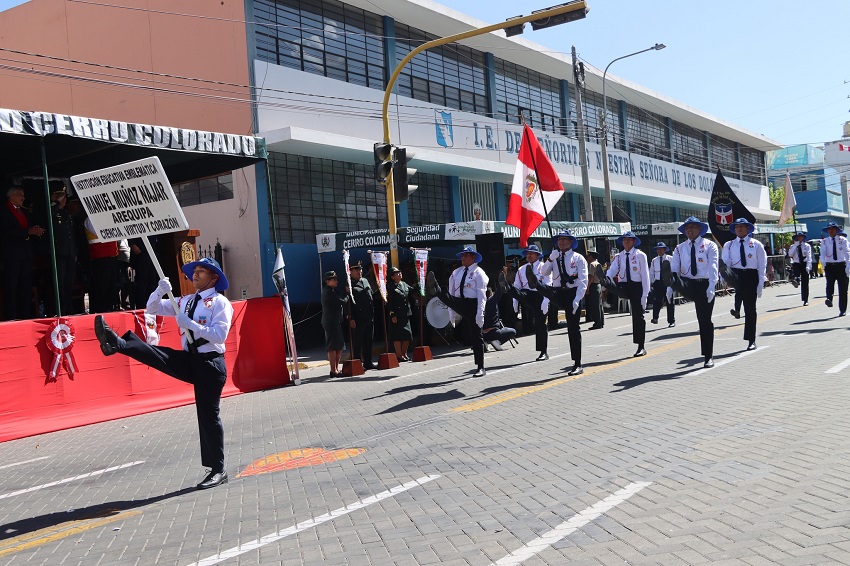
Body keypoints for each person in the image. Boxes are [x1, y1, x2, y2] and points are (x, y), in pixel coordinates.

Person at [93, 257, 233, 490]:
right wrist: (159, 291)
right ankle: (119, 344)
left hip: (210, 364)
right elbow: (153, 308)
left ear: (214, 278)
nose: (195, 274)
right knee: (160, 355)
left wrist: (191, 325)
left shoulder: (219, 303)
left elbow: (220, 336)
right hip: (191, 359)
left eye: (201, 271)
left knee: (208, 416)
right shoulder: (186, 301)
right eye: (194, 271)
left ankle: (218, 470)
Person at [427, 246, 488, 377]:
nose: (463, 258)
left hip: (474, 304)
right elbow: (452, 293)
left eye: (466, 255)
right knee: (446, 296)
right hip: (460, 302)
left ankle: (481, 367)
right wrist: (451, 314)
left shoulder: (479, 273)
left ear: (473, 257)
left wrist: (480, 313)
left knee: (476, 336)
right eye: (462, 256)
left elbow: (482, 295)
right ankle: (436, 289)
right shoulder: (456, 272)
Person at [534, 230, 588, 376]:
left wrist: (578, 299)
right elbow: (544, 272)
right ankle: (536, 285)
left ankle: (577, 363)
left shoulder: (578, 258)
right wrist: (551, 258)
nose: (561, 242)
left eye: (565, 239)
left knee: (573, 328)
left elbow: (583, 281)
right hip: (558, 292)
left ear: (571, 242)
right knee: (546, 289)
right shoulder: (555, 257)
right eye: (559, 240)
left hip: (572, 293)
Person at [670, 217, 719, 368]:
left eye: (692, 227)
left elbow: (713, 266)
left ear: (699, 229)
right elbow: (674, 268)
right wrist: (669, 287)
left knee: (704, 321)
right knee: (672, 276)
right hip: (687, 283)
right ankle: (669, 282)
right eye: (687, 228)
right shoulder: (679, 248)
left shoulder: (710, 245)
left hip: (704, 284)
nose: (689, 230)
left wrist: (712, 286)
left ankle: (708, 356)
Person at [0, 186, 45, 320]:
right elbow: (7, 232)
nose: (23, 198)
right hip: (11, 256)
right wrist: (28, 232)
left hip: (26, 254)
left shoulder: (24, 212)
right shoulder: (4, 211)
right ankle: (11, 316)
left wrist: (35, 231)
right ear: (11, 196)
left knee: (25, 286)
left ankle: (25, 314)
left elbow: (28, 228)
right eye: (20, 195)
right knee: (12, 287)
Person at [721, 218, 767, 350]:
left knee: (750, 308)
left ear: (748, 229)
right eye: (737, 227)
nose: (739, 229)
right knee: (739, 292)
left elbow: (761, 264)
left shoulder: (756, 244)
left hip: (751, 276)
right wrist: (725, 278)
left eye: (742, 226)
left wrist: (760, 281)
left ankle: (751, 339)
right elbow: (726, 262)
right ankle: (736, 309)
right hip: (735, 274)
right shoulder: (729, 245)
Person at [606, 231, 650, 357]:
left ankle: (641, 346)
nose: (626, 242)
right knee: (610, 283)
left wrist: (645, 295)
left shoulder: (640, 255)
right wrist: (608, 278)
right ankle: (606, 282)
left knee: (638, 316)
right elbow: (613, 269)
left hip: (637, 286)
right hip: (624, 285)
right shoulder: (619, 256)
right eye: (624, 240)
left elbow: (645, 276)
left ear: (634, 241)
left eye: (629, 240)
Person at [504, 244, 550, 360]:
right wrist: (515, 300)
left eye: (531, 253)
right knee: (515, 291)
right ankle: (505, 286)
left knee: (540, 324)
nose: (528, 255)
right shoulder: (521, 269)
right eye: (527, 253)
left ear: (537, 255)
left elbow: (549, 284)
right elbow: (518, 285)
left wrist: (546, 300)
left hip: (540, 294)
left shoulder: (544, 267)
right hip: (527, 294)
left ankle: (543, 351)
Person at [47, 188, 77, 316]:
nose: (64, 200)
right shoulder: (52, 210)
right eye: (62, 197)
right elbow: (48, 219)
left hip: (70, 252)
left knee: (69, 282)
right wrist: (57, 205)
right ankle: (60, 309)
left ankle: (68, 307)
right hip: (59, 253)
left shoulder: (65, 212)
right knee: (60, 282)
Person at [84, 217, 119, 314]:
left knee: (111, 285)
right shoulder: (90, 219)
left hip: (111, 255)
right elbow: (103, 233)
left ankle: (110, 307)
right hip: (99, 257)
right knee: (101, 286)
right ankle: (101, 310)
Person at [345, 262, 375, 370]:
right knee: (358, 342)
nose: (359, 272)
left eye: (360, 270)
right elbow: (348, 303)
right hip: (358, 318)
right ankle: (358, 363)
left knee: (368, 341)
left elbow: (371, 294)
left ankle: (368, 362)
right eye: (356, 270)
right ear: (351, 272)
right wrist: (351, 318)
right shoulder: (349, 284)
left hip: (369, 315)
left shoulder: (365, 281)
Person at [820, 221, 850, 316]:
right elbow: (823, 253)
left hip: (841, 265)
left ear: (836, 230)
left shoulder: (843, 240)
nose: (830, 231)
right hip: (830, 265)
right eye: (829, 229)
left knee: (843, 289)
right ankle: (829, 298)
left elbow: (847, 253)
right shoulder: (824, 241)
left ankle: (842, 309)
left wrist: (848, 266)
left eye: (832, 229)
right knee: (829, 284)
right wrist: (823, 262)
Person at [321, 271, 346, 376]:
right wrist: (347, 294)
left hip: (335, 321)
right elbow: (341, 301)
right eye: (333, 279)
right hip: (330, 322)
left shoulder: (332, 290)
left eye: (336, 279)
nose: (336, 281)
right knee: (332, 346)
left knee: (339, 345)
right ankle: (333, 370)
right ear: (327, 281)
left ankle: (336, 368)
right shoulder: (328, 292)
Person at [387, 266, 413, 362]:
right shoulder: (390, 286)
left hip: (405, 313)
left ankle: (404, 353)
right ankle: (399, 355)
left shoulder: (404, 284)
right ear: (392, 277)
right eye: (397, 273)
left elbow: (412, 290)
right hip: (397, 314)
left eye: (400, 272)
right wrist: (392, 314)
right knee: (397, 336)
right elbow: (389, 302)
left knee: (407, 335)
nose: (399, 274)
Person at [483, 283, 516, 350]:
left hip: (482, 334)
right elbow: (499, 292)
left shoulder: (479, 304)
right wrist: (501, 282)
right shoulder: (491, 301)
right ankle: (497, 342)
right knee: (513, 331)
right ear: (490, 294)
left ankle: (485, 343)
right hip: (493, 332)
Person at [649, 242, 675, 327]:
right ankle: (655, 318)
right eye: (658, 249)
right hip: (658, 282)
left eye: (661, 249)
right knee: (657, 301)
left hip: (667, 282)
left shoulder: (670, 258)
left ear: (664, 249)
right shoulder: (654, 260)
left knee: (669, 301)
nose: (659, 251)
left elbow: (673, 270)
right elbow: (651, 272)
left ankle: (671, 321)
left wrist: (672, 283)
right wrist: (650, 282)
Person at [787, 232, 812, 306]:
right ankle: (796, 279)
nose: (799, 238)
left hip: (804, 263)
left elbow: (809, 256)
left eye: (801, 237)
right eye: (798, 237)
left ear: (803, 238)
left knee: (805, 283)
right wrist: (795, 246)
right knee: (796, 271)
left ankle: (805, 299)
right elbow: (790, 254)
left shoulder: (806, 246)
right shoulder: (793, 246)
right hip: (796, 263)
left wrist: (808, 266)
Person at [585, 250, 605, 330]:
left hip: (593, 285)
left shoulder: (592, 264)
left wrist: (587, 287)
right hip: (599, 285)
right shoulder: (598, 263)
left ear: (591, 256)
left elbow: (591, 277)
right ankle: (601, 322)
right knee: (599, 305)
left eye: (588, 256)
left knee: (595, 306)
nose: (587, 257)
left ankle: (597, 323)